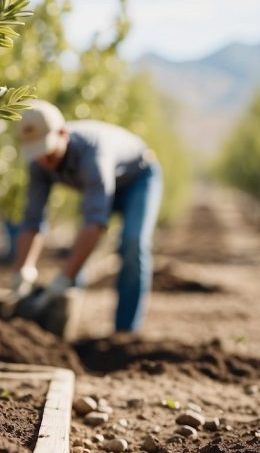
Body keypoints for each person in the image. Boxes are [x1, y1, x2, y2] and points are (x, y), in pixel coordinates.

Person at [9, 100, 163, 334]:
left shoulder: (94, 156)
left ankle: (125, 333)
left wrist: (63, 279)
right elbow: (32, 220)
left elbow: (95, 223)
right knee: (78, 251)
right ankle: (65, 329)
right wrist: (22, 269)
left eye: (48, 153)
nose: (44, 161)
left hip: (138, 179)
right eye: (37, 154)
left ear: (63, 134)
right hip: (100, 187)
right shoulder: (39, 164)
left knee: (133, 244)